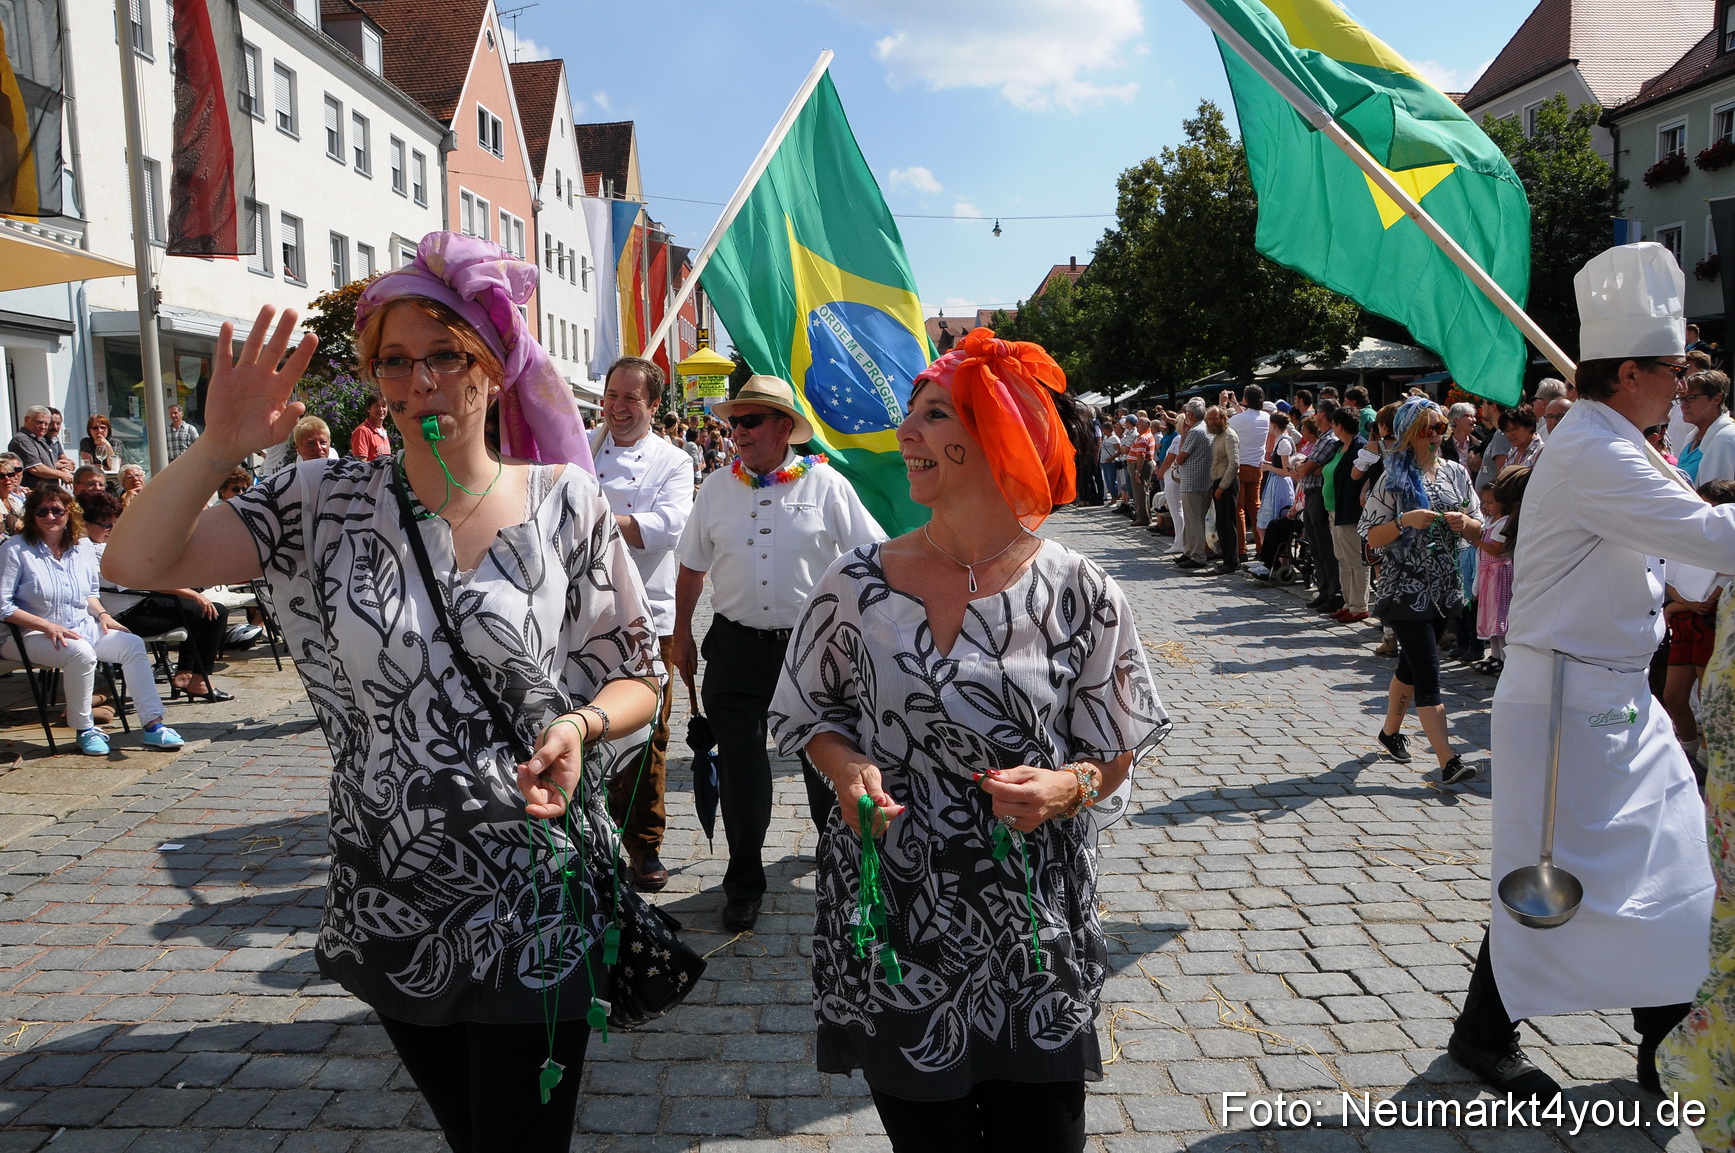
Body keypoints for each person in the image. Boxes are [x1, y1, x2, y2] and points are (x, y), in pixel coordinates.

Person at [102, 232, 658, 1151]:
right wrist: (219, 448)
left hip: (533, 876)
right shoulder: (320, 501)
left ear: (493, 366)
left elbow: (636, 671)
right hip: (390, 885)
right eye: (394, 361)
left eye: (446, 355)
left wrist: (577, 722)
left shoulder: (566, 499)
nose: (419, 381)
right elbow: (133, 561)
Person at [769, 329, 1170, 1153]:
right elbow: (810, 713)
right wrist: (845, 772)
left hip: (1028, 928)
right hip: (895, 923)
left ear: (996, 437)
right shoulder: (853, 583)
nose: (904, 435)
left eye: (931, 416)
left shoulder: (1079, 591)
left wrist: (1067, 788)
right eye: (909, 417)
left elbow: (1116, 744)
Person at [1448, 243, 1735, 1103]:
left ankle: (1659, 1038)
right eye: (1675, 371)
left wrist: (1678, 484)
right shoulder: (1599, 452)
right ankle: (1486, 1032)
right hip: (1569, 698)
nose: (1682, 387)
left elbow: (1687, 574)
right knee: (1555, 873)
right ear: (1632, 372)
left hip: (1614, 692)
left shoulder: (1619, 441)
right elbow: (1715, 548)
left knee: (1671, 867)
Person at [672, 374, 885, 932]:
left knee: (824, 764)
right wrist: (680, 634)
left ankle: (836, 856)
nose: (736, 431)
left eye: (750, 421)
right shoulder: (716, 487)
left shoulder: (827, 486)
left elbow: (871, 558)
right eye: (733, 421)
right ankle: (742, 883)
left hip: (812, 652)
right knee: (742, 770)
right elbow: (691, 567)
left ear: (784, 428)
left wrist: (873, 634)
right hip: (735, 647)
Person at [591, 355, 694, 892]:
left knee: (648, 733)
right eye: (612, 395)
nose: (618, 407)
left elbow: (671, 526)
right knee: (584, 727)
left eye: (632, 398)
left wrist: (600, 520)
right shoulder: (582, 446)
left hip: (647, 617)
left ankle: (644, 844)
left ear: (654, 406)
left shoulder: (673, 462)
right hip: (583, 615)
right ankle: (588, 834)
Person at [0, 486, 183, 756]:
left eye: (57, 510)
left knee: (131, 644)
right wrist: (48, 626)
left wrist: (104, 615)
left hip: (80, 626)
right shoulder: (15, 549)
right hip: (27, 635)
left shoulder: (81, 545)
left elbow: (90, 594)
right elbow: (4, 606)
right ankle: (84, 729)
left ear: (69, 513)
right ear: (32, 514)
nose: (50, 516)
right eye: (42, 511)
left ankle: (154, 725)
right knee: (81, 653)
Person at [1360, 396, 1479, 786]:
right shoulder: (1391, 475)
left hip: (1446, 586)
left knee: (1410, 667)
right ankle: (1448, 760)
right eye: (1427, 429)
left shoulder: (1456, 473)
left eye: (1440, 428)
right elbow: (1373, 537)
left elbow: (1480, 525)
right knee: (1428, 671)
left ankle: (1390, 732)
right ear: (1410, 434)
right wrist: (1403, 521)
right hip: (1405, 588)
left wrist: (1466, 523)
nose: (1435, 436)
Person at [80, 490, 233, 702]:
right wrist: (191, 594)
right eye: (105, 525)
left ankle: (186, 675)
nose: (112, 529)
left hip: (140, 602)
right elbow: (141, 580)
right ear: (86, 524)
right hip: (124, 614)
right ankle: (194, 680)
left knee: (207, 611)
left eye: (116, 524)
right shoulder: (93, 548)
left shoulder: (109, 544)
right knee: (211, 612)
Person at [1323, 406, 1370, 623]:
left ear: (1339, 426)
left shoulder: (1360, 447)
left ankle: (1359, 605)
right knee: (1342, 558)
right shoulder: (1340, 446)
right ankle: (1348, 602)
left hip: (1350, 511)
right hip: (1335, 509)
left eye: (1333, 424)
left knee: (1355, 560)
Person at [1296, 400, 1342, 613]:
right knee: (1315, 546)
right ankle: (1324, 590)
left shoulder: (1329, 440)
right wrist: (1305, 465)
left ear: (1322, 415)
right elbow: (1307, 468)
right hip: (1311, 495)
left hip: (1319, 496)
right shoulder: (1323, 439)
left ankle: (1332, 592)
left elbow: (1307, 470)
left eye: (1317, 413)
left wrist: (1304, 465)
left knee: (1325, 547)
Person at [1169, 401, 1212, 568]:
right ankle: (1189, 551)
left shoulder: (1195, 431)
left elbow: (1180, 457)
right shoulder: (1205, 428)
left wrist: (1185, 435)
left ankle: (1197, 555)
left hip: (1192, 482)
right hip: (1202, 481)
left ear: (1191, 415)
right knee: (1193, 519)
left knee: (1193, 520)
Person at [1227, 385, 1269, 553]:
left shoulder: (1238, 420)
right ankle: (1261, 547)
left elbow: (1226, 424)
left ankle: (1241, 548)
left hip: (1241, 466)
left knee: (1239, 510)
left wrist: (1225, 405)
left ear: (1247, 399)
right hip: (1257, 466)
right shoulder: (1266, 416)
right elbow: (1249, 417)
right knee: (1255, 508)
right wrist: (1237, 405)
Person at [1201, 405, 1240, 575]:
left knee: (1228, 524)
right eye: (1209, 419)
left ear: (1223, 418)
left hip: (1227, 484)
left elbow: (1234, 464)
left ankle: (1232, 561)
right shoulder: (1217, 436)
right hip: (1218, 482)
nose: (1211, 422)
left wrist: (1222, 486)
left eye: (1214, 418)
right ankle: (1226, 559)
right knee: (1221, 525)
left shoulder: (1229, 436)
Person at [1677, 370, 1735, 484]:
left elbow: (1717, 497)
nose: (1684, 405)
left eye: (1691, 397)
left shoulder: (1726, 439)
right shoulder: (1692, 437)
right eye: (1681, 398)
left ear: (1716, 399)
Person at [9, 406, 71, 492]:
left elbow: (53, 463)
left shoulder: (40, 439)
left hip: (48, 493)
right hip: (35, 495)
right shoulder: (21, 440)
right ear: (27, 419)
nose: (43, 427)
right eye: (39, 422)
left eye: (46, 424)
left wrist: (64, 468)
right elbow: (36, 468)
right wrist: (63, 475)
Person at [349, 394, 392, 461]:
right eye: (376, 406)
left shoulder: (383, 432)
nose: (381, 409)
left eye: (384, 406)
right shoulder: (362, 431)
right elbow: (361, 464)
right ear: (368, 409)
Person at [80, 415, 121, 479]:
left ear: (108, 429)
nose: (99, 431)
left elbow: (114, 467)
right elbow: (88, 466)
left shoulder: (115, 443)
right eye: (95, 428)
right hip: (94, 479)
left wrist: (107, 445)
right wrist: (105, 468)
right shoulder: (86, 442)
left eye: (103, 427)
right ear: (90, 431)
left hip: (112, 481)